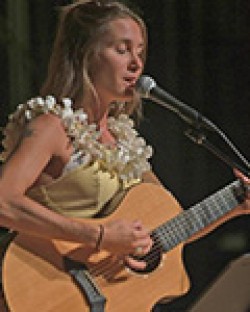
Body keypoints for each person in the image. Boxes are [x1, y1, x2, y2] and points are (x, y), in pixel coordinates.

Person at [0, 0, 249, 310]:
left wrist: (237, 204)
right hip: (51, 291)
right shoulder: (51, 127)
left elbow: (165, 231)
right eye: (122, 49)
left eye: (140, 52)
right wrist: (101, 235)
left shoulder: (126, 141)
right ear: (85, 55)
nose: (136, 63)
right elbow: (4, 202)